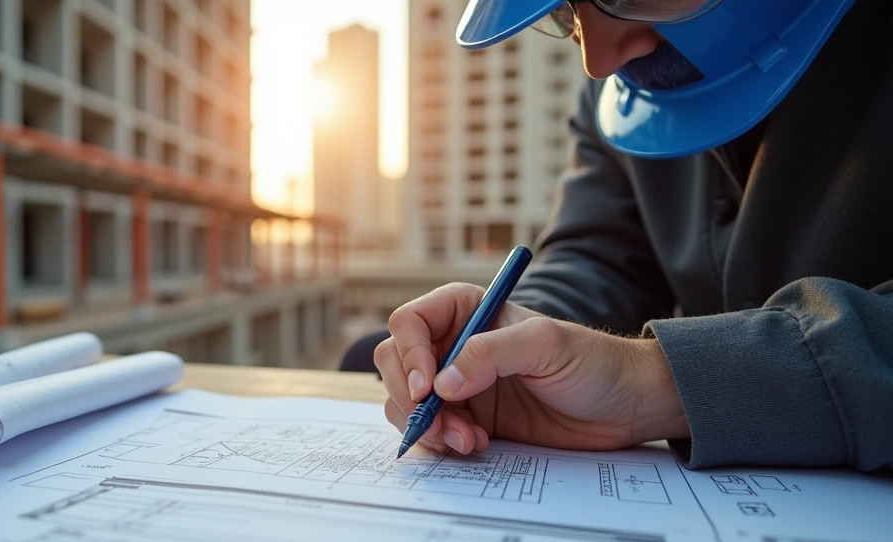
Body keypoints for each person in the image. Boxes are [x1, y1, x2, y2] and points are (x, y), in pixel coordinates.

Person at [353, 0, 893, 471]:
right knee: (360, 353)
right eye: (565, 10)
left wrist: (660, 382)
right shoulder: (622, 94)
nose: (598, 62)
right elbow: (599, 255)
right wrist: (507, 347)